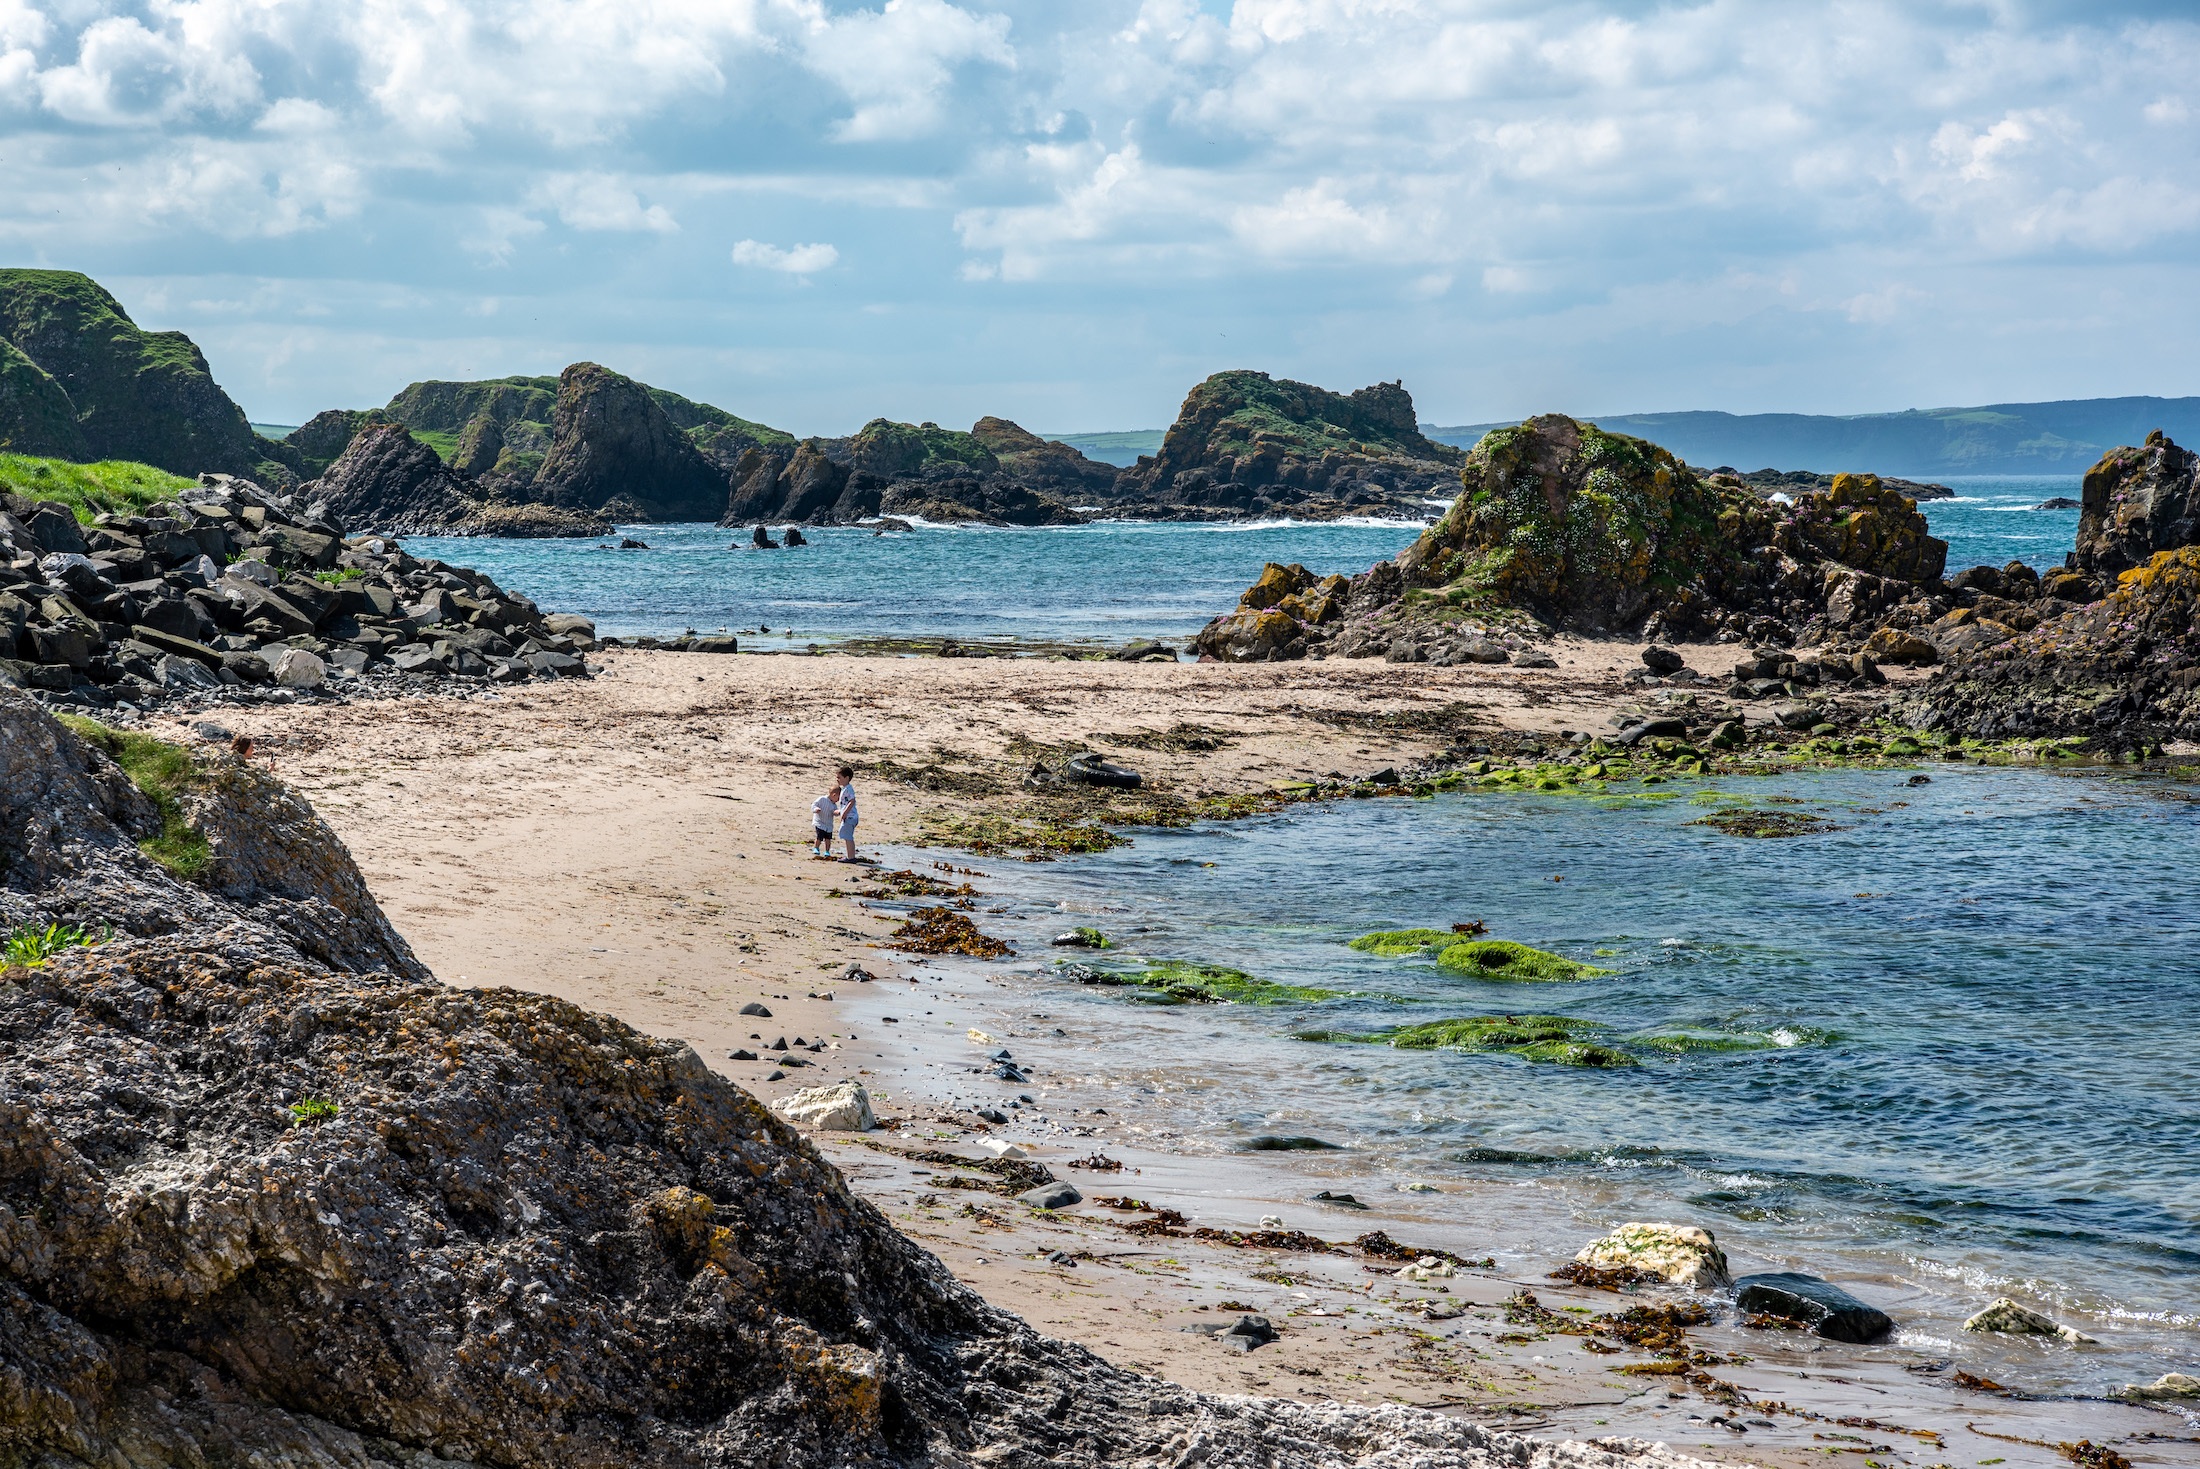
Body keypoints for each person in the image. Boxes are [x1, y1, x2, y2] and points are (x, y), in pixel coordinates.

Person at [833, 764, 860, 862]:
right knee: (846, 835)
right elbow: (845, 804)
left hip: (850, 817)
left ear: (847, 778)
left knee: (848, 837)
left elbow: (852, 801)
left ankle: (851, 857)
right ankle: (850, 856)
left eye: (839, 778)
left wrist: (844, 813)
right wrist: (839, 812)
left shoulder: (848, 789)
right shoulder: (845, 789)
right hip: (849, 816)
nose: (837, 780)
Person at [811, 779, 839, 857]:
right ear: (834, 795)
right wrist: (816, 809)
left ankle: (827, 851)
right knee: (819, 837)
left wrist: (836, 812)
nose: (838, 800)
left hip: (828, 824)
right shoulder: (822, 799)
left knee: (828, 839)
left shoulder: (833, 805)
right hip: (820, 822)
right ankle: (816, 848)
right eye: (838, 798)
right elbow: (814, 805)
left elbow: (834, 811)